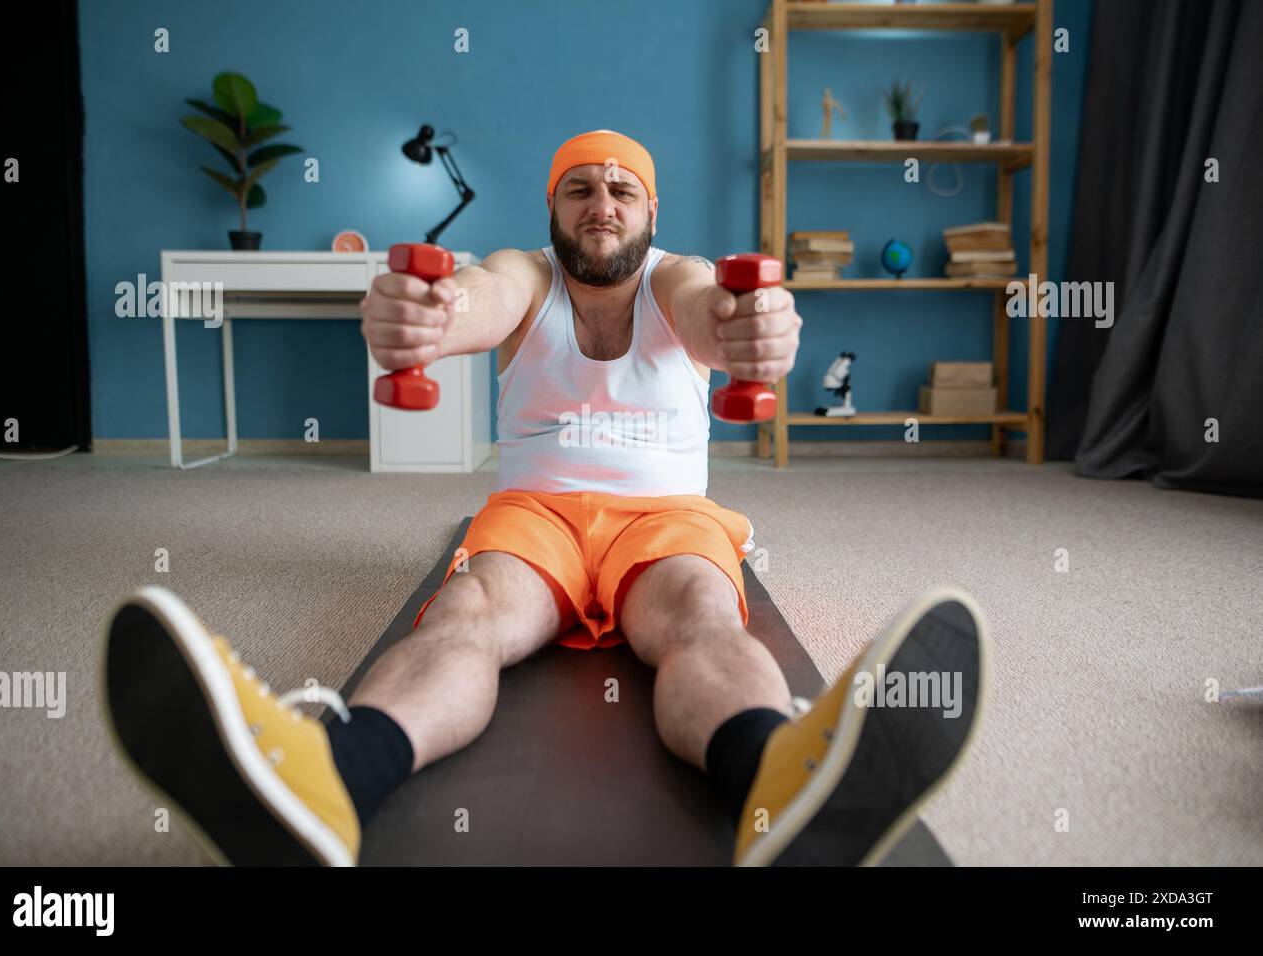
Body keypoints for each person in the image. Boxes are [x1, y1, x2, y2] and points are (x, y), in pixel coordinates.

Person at [101, 129, 987, 867]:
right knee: (467, 616)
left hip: (667, 518)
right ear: (551, 210)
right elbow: (483, 299)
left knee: (703, 623)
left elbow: (709, 310)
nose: (601, 203)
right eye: (577, 189)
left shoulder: (681, 276)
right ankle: (329, 780)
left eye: (622, 189)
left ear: (651, 213)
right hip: (535, 518)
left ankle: (778, 785)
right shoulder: (523, 273)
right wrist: (431, 318)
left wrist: (750, 325)